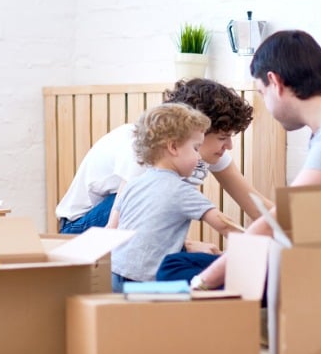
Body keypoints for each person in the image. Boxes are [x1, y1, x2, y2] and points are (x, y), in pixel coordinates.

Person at [157, 29, 321, 290]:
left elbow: (282, 219)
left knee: (175, 271)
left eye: (262, 93)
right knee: (177, 263)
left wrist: (204, 281)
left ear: (275, 82)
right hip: (318, 255)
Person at [55, 79, 271, 240]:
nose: (229, 146)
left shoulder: (208, 153)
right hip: (81, 229)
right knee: (156, 192)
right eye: (223, 138)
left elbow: (255, 204)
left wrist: (294, 228)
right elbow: (120, 224)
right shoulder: (143, 146)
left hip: (130, 228)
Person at [106, 103, 240, 292]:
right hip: (147, 281)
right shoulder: (180, 190)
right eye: (195, 148)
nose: (199, 157)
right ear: (173, 147)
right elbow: (224, 224)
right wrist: (254, 245)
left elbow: (117, 229)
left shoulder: (133, 184)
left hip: (115, 274)